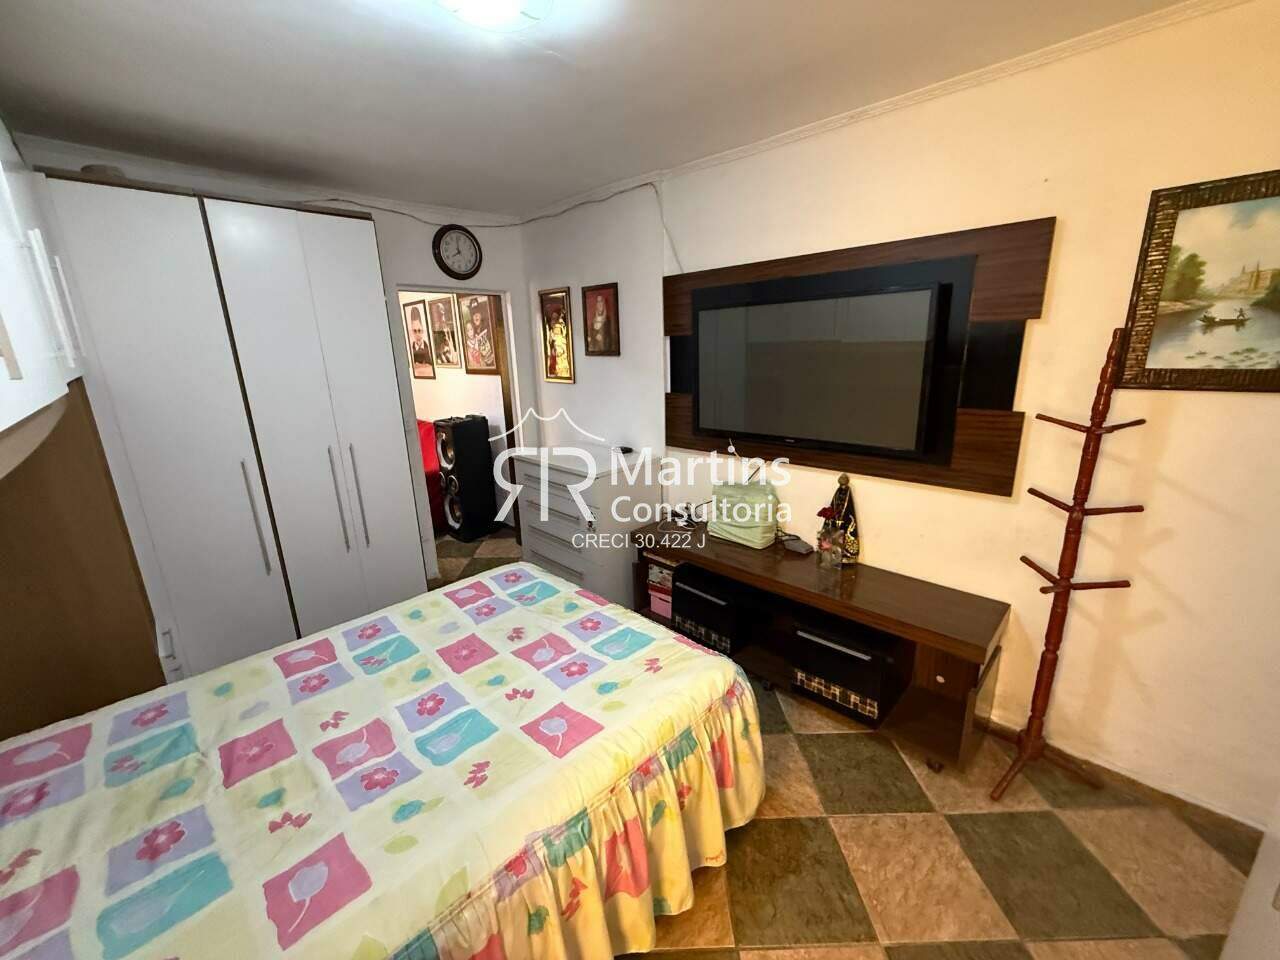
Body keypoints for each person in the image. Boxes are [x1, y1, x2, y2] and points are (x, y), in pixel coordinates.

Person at [407, 307, 431, 375]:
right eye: (415, 331)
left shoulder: (429, 346)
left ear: (422, 329)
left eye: (419, 330)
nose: (417, 334)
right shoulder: (410, 349)